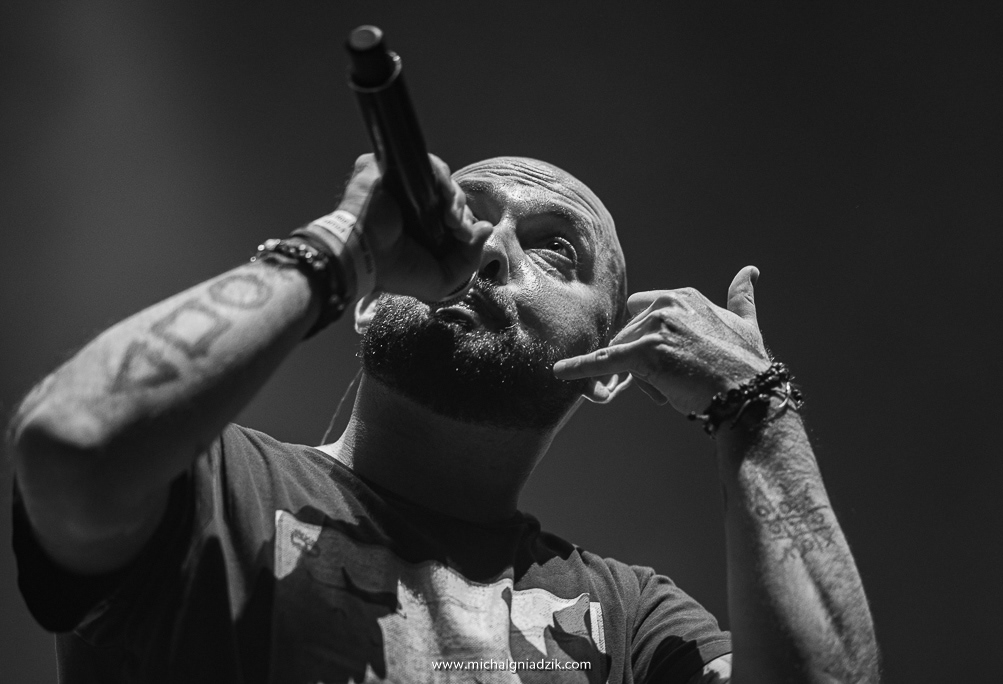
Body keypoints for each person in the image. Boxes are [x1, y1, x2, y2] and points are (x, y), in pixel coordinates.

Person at [8, 153, 879, 683]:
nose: (489, 248)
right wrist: (341, 245)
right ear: (367, 302)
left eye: (553, 248)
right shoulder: (215, 487)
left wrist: (757, 409)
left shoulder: (629, 621)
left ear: (612, 372)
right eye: (460, 221)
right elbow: (70, 444)